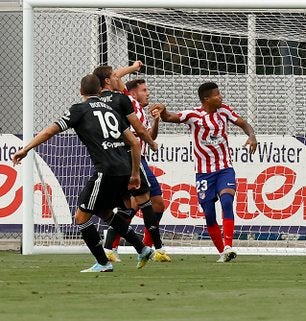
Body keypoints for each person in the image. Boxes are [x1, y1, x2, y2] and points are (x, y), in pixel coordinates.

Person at [12, 74, 154, 272]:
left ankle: (103, 263)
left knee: (81, 217)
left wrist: (26, 149)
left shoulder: (79, 110)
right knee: (104, 212)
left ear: (81, 92)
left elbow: (49, 132)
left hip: (107, 170)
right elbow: (134, 142)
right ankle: (142, 248)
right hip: (124, 167)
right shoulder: (110, 109)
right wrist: (135, 173)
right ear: (98, 91)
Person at [150, 82, 258, 262]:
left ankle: (229, 245)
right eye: (217, 95)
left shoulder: (224, 111)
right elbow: (170, 117)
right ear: (206, 99)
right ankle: (223, 252)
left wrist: (252, 135)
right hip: (204, 173)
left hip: (224, 168)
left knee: (227, 201)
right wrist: (163, 110)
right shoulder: (193, 115)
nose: (220, 97)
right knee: (209, 214)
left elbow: (243, 123)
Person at [92, 65, 169, 262]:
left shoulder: (140, 112)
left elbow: (148, 134)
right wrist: (134, 67)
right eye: (144, 90)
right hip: (131, 158)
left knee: (150, 204)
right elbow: (114, 75)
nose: (148, 93)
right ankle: (153, 249)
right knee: (144, 203)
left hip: (138, 157)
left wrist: (157, 122)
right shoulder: (127, 99)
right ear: (133, 91)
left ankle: (116, 247)